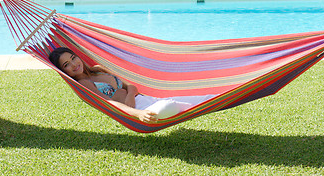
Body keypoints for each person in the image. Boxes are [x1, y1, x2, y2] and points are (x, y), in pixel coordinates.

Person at [48, 47, 215, 123]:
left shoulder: (98, 69)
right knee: (168, 107)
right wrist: (137, 114)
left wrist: (129, 95)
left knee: (201, 99)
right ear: (65, 72)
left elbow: (131, 87)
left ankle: (225, 97)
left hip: (146, 99)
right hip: (142, 110)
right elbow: (110, 103)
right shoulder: (85, 84)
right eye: (66, 65)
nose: (73, 64)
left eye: (72, 58)